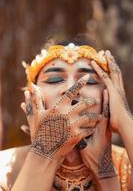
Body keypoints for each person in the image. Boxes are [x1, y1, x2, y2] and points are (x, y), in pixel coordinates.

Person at [0, 42, 133, 191]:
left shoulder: (126, 164)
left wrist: (124, 120)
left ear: (109, 95)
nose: (71, 88)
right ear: (32, 97)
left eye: (89, 81)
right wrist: (43, 154)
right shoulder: (3, 169)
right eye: (54, 80)